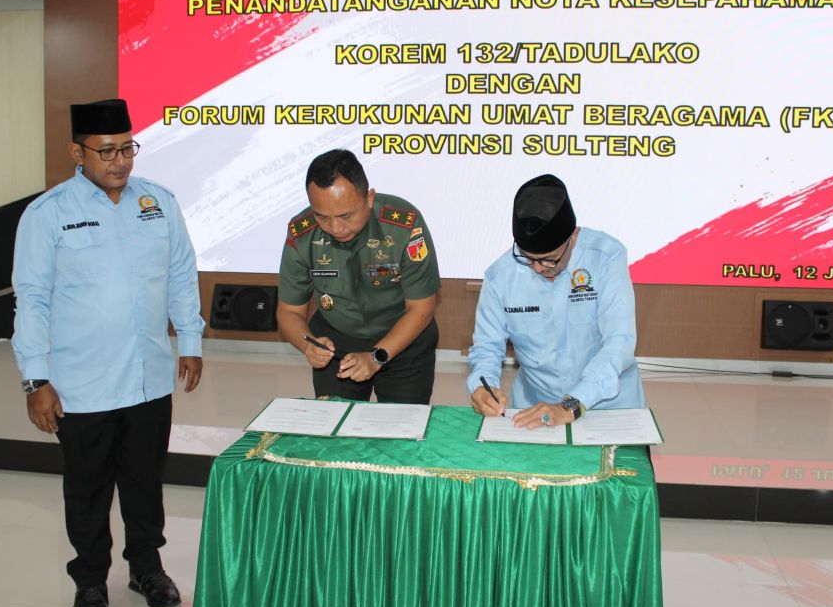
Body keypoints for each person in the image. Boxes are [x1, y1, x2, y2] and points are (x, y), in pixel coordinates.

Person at [12, 99, 204, 607]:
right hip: (81, 384)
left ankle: (147, 568)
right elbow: (32, 299)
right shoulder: (48, 214)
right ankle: (91, 580)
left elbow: (181, 273)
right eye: (106, 151)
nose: (120, 161)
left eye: (127, 149)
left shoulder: (159, 202)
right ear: (78, 153)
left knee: (145, 482)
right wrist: (35, 379)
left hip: (148, 378)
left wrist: (190, 340)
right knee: (88, 489)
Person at [466, 173, 645, 428]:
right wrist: (482, 386)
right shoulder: (500, 277)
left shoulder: (605, 257)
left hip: (608, 406)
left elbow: (619, 344)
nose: (538, 268)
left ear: (573, 237)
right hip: (533, 411)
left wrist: (570, 406)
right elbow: (487, 348)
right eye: (527, 258)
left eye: (549, 259)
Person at [276, 149, 441, 404]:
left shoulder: (404, 225)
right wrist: (308, 345)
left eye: (346, 216)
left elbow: (422, 308)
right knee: (335, 423)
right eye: (322, 217)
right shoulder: (302, 234)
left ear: (369, 198)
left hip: (404, 340)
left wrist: (376, 357)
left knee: (400, 425)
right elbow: (289, 312)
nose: (335, 228)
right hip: (336, 344)